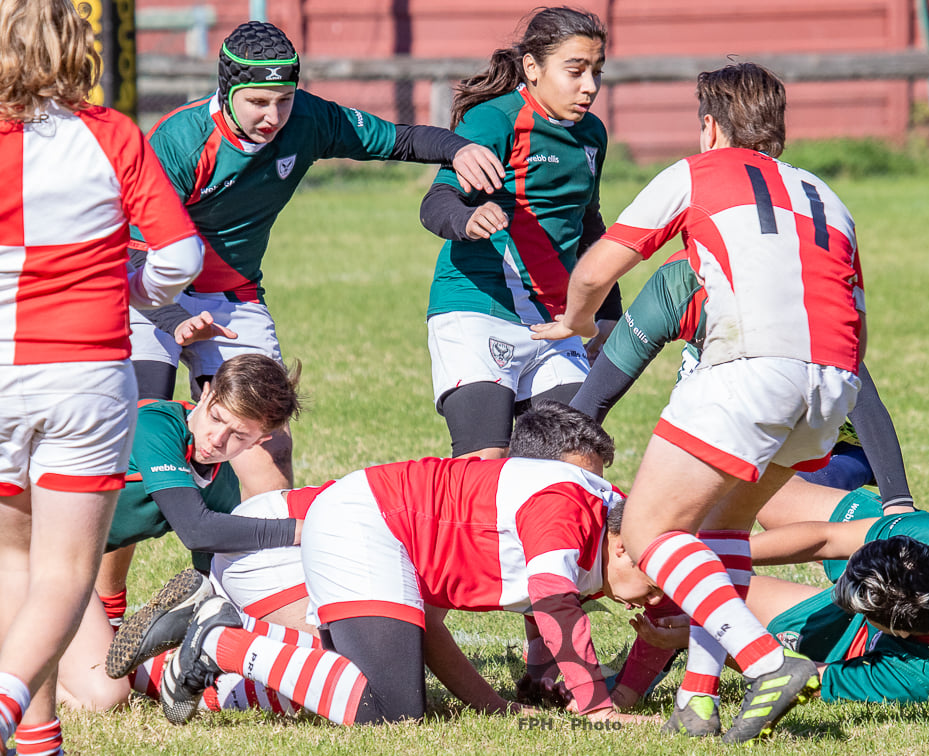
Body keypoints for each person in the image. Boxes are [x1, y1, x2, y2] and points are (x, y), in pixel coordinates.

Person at [532, 62, 865, 742]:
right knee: (721, 534)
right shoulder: (826, 192)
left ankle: (765, 660)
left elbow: (598, 268)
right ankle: (697, 701)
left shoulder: (697, 172)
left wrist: (575, 320)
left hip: (749, 370)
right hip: (835, 382)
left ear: (710, 125)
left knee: (654, 536)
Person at [129, 20, 506, 499]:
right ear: (226, 92)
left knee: (267, 442)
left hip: (232, 296)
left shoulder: (308, 120)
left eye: (283, 99)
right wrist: (174, 317)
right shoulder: (179, 142)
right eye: (258, 102)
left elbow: (399, 139)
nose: (273, 115)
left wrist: (459, 147)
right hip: (152, 294)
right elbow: (129, 260)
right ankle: (109, 580)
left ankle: (256, 573)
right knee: (143, 434)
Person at [109, 402, 678, 719]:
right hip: (297, 547)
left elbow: (670, 619)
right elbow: (554, 601)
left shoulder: (621, 526)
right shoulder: (568, 512)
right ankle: (216, 638)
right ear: (623, 544)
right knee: (381, 702)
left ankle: (164, 671)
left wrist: (500, 707)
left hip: (347, 532)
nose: (657, 594)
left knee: (355, 680)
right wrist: (598, 705)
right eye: (657, 580)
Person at [0, 1, 205, 753]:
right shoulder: (111, 132)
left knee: (11, 561)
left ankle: (39, 738)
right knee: (62, 575)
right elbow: (179, 258)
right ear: (76, 42)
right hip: (84, 374)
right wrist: (139, 289)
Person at [420, 6, 621, 461]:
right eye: (575, 70)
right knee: (483, 471)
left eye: (597, 71)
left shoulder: (593, 134)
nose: (589, 86)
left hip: (555, 322)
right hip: (478, 307)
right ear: (532, 67)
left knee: (573, 463)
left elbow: (588, 224)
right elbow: (437, 202)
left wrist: (607, 310)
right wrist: (467, 220)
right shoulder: (495, 120)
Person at [632, 480, 929, 704]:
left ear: (898, 634)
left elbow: (799, 678)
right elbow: (827, 539)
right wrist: (709, 557)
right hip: (897, 586)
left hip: (854, 644)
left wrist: (701, 637)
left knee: (700, 600)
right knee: (752, 482)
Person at [569, 248, 915, 507]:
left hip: (811, 404)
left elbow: (863, 398)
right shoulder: (677, 287)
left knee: (777, 499)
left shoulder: (799, 290)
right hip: (721, 374)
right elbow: (593, 400)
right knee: (685, 490)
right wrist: (555, 493)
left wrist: (898, 503)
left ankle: (848, 466)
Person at [55, 354, 302, 715]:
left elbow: (216, 580)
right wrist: (297, 530)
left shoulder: (221, 482)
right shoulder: (156, 425)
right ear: (205, 395)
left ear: (257, 441)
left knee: (107, 697)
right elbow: (197, 529)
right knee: (100, 695)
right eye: (217, 417)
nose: (217, 439)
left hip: (62, 565)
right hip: (21, 545)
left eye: (238, 435)